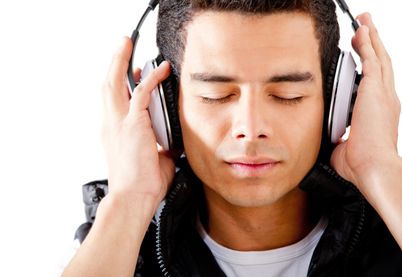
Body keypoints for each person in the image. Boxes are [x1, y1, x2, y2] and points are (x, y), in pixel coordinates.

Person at [62, 0, 402, 276]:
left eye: (287, 95)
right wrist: (128, 200)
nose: (251, 129)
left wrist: (379, 167)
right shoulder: (118, 248)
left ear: (340, 100)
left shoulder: (392, 223)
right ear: (161, 103)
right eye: (216, 95)